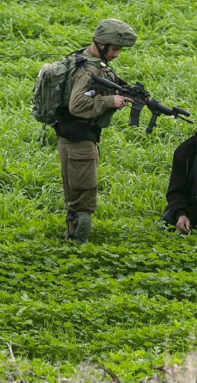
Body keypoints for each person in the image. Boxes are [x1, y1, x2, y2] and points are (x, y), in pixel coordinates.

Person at [55, 18, 137, 243]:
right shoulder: (88, 69)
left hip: (76, 137)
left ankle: (73, 239)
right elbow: (77, 105)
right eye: (115, 49)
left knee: (77, 191)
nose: (117, 54)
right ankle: (77, 245)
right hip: (78, 140)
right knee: (83, 195)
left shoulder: (87, 59)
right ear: (102, 45)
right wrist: (110, 101)